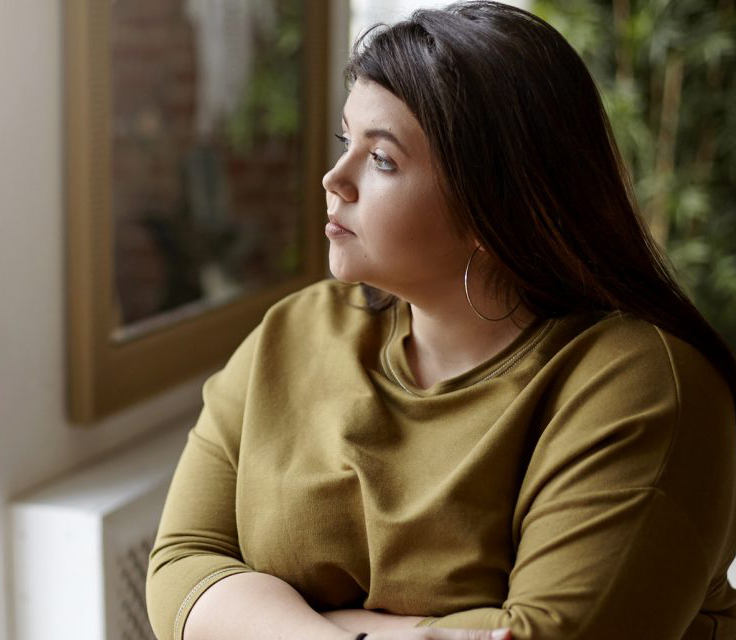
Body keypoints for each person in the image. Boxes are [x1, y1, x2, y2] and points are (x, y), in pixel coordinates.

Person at [145, 2, 736, 639]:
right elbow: (182, 567)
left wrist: (264, 617)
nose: (333, 178)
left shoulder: (641, 386)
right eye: (348, 141)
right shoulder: (295, 332)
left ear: (493, 205)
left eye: (382, 159)